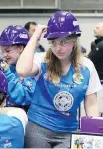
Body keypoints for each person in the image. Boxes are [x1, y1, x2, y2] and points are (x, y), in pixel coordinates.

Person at [16, 11, 102, 148]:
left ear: (74, 41)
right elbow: (22, 70)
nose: (58, 48)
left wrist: (93, 135)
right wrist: (35, 36)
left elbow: (91, 103)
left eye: (63, 42)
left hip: (68, 132)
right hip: (38, 127)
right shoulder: (43, 59)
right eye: (53, 42)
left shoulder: (87, 66)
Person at [0, 25, 36, 111]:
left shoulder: (32, 70)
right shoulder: (9, 68)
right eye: (2, 52)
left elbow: (24, 98)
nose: (5, 55)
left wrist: (7, 74)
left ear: (21, 48)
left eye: (8, 51)